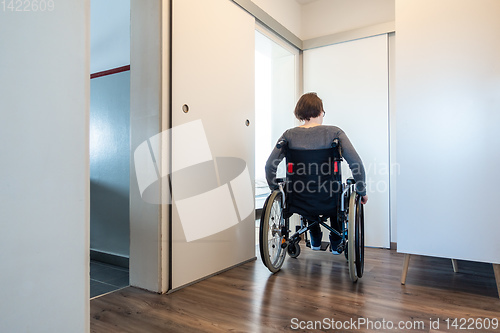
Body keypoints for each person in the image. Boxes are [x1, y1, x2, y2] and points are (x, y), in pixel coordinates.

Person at [265, 92, 368, 254]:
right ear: (320, 112)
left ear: (299, 113)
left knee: (307, 191)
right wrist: (362, 191)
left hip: (298, 197)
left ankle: (314, 238)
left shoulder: (288, 135)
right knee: (337, 193)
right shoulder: (335, 133)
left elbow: (270, 165)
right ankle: (336, 243)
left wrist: (274, 188)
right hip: (329, 197)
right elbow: (356, 163)